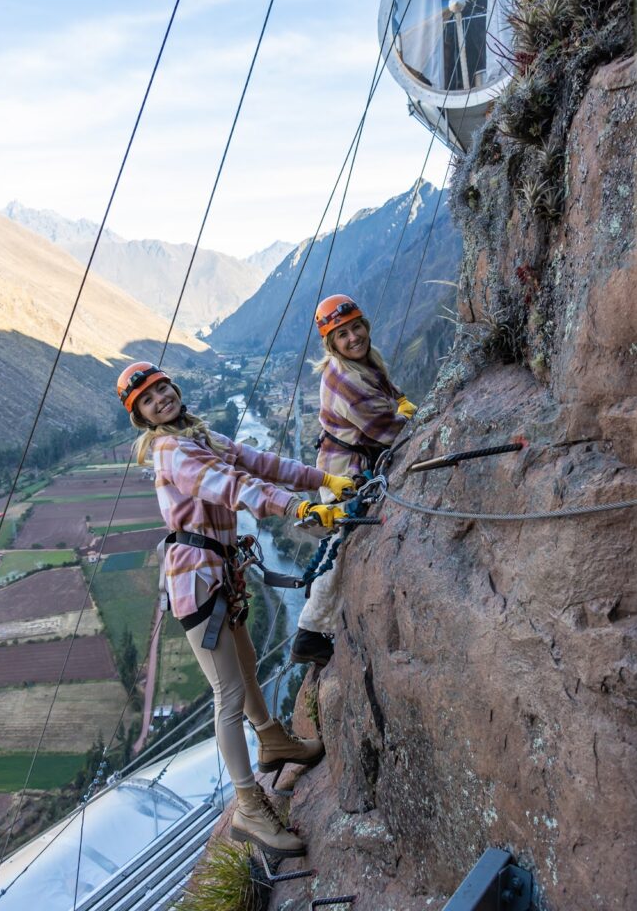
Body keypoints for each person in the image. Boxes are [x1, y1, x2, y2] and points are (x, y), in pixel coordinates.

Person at [116, 362, 354, 859]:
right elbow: (232, 486)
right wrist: (298, 508)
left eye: (163, 388)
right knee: (227, 694)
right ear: (142, 416)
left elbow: (259, 462)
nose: (160, 398)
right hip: (199, 582)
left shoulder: (198, 435)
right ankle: (248, 804)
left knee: (246, 668)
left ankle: (273, 742)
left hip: (218, 574)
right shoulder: (172, 449)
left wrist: (324, 480)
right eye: (148, 399)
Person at [290, 295, 417, 667]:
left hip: (351, 464)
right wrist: (412, 417)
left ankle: (314, 628)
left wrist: (402, 404)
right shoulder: (346, 380)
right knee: (341, 544)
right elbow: (388, 430)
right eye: (342, 334)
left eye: (356, 328)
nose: (354, 337)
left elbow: (391, 399)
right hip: (347, 473)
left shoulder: (361, 364)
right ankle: (309, 632)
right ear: (332, 344)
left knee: (340, 541)